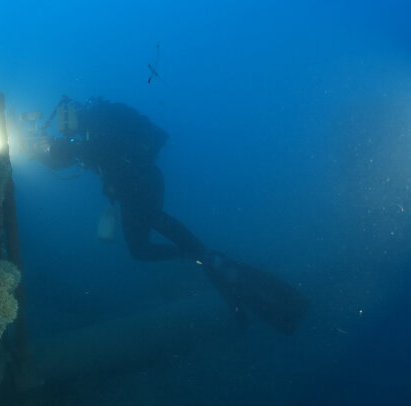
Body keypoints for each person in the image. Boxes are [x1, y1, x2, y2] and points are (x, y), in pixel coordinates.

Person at [22, 96, 308, 333]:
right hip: (137, 186)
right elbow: (66, 159)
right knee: (141, 248)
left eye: (64, 120)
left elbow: (83, 151)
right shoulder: (90, 134)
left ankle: (208, 259)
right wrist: (38, 152)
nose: (62, 127)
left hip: (140, 184)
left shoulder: (97, 127)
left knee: (152, 227)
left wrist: (55, 148)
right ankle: (202, 257)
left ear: (74, 114)